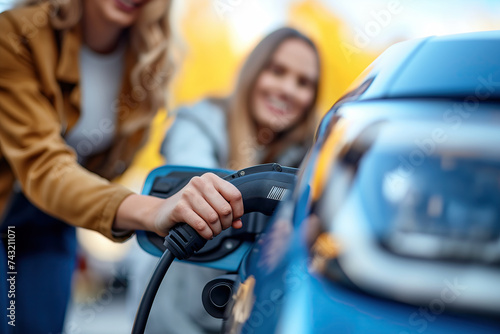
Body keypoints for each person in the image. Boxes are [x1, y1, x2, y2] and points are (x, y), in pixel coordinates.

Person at [0, 1, 244, 333]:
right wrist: (154, 210)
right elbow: (44, 168)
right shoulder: (17, 35)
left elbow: (99, 168)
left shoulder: (147, 56)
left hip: (53, 219)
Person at [129, 27, 321, 334]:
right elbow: (194, 175)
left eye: (303, 82)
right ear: (253, 71)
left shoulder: (311, 158)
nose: (287, 89)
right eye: (277, 71)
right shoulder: (200, 122)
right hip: (172, 315)